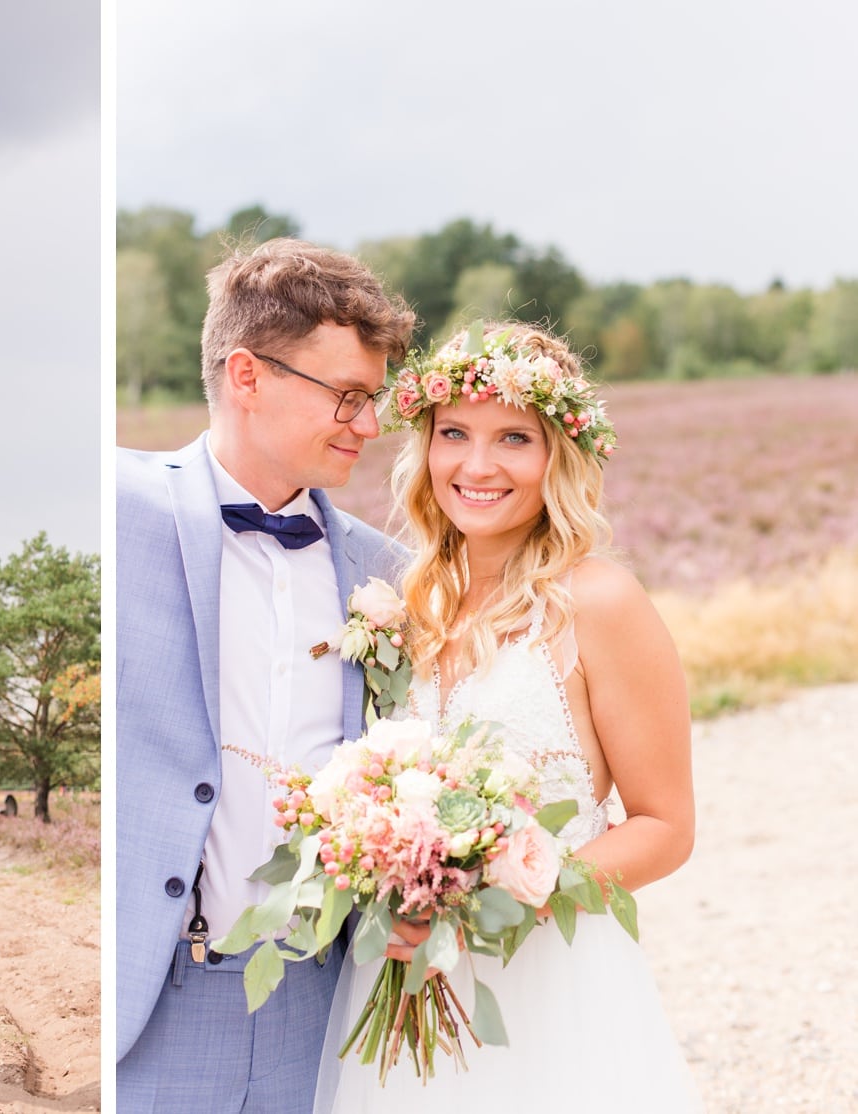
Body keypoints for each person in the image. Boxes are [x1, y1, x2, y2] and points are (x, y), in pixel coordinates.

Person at [313, 322, 701, 1109]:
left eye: (514, 438)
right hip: (404, 974)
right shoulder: (404, 602)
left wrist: (497, 889)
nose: (477, 465)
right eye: (453, 433)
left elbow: (665, 826)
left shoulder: (601, 603)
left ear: (558, 455)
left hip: (553, 986)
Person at [116, 237, 415, 1111]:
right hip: (156, 1000)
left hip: (326, 1006)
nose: (369, 425)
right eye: (349, 397)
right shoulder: (118, 505)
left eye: (376, 398)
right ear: (246, 376)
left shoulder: (388, 574)